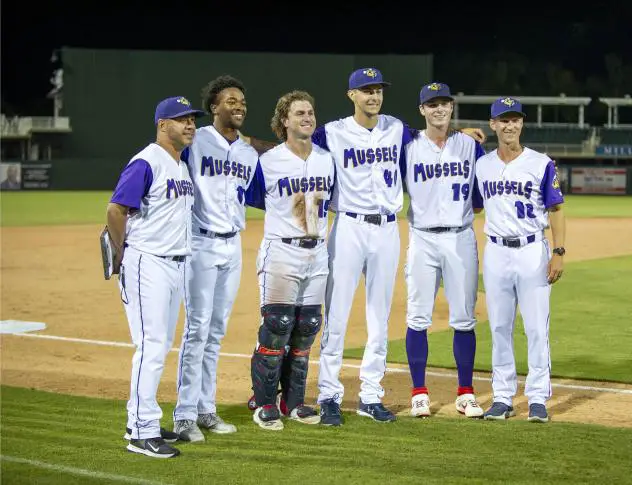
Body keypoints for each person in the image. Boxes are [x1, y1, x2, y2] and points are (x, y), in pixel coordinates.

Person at [313, 68, 486, 426]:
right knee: (338, 314)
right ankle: (329, 395)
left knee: (379, 317)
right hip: (347, 226)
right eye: (365, 91)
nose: (373, 96)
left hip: (387, 230)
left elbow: (433, 135)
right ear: (352, 96)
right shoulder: (332, 132)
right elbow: (295, 143)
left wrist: (460, 132)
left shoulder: (397, 130)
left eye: (377, 90)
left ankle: (371, 396)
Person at [107, 96, 204, 458]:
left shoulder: (179, 164)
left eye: (193, 119)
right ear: (163, 124)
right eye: (182, 119)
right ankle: (141, 433)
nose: (190, 125)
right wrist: (122, 253)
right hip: (148, 263)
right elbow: (116, 209)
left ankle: (140, 421)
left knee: (158, 345)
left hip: (175, 264)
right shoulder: (146, 161)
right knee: (152, 347)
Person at [172, 75, 259, 442]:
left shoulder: (248, 152)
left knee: (217, 331)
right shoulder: (196, 141)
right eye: (231, 101)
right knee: (197, 329)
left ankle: (205, 409)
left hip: (232, 245)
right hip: (201, 244)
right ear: (214, 107)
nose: (238, 106)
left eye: (242, 101)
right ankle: (183, 416)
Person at [245, 90, 335, 430]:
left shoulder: (327, 159)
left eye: (310, 112)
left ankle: (294, 401)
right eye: (299, 113)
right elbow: (256, 199)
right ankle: (264, 401)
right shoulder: (268, 162)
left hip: (317, 252)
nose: (307, 118)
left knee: (307, 328)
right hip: (282, 251)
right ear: (284, 121)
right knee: (277, 325)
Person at [472, 96, 565, 423]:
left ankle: (537, 398)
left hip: (531, 251)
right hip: (496, 251)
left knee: (537, 327)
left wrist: (558, 251)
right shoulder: (481, 165)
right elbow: (475, 206)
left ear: (521, 124)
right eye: (503, 120)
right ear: (493, 124)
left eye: (515, 120)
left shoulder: (541, 163)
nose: (510, 125)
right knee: (499, 326)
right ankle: (502, 397)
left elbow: (555, 210)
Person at [402, 82, 486, 419]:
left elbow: (480, 198)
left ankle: (466, 393)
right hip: (421, 238)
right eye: (431, 104)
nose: (439, 109)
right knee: (417, 316)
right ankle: (419, 393)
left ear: (452, 107)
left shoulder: (470, 146)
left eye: (444, 104)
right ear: (422, 110)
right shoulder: (406, 145)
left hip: (460, 237)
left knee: (464, 318)